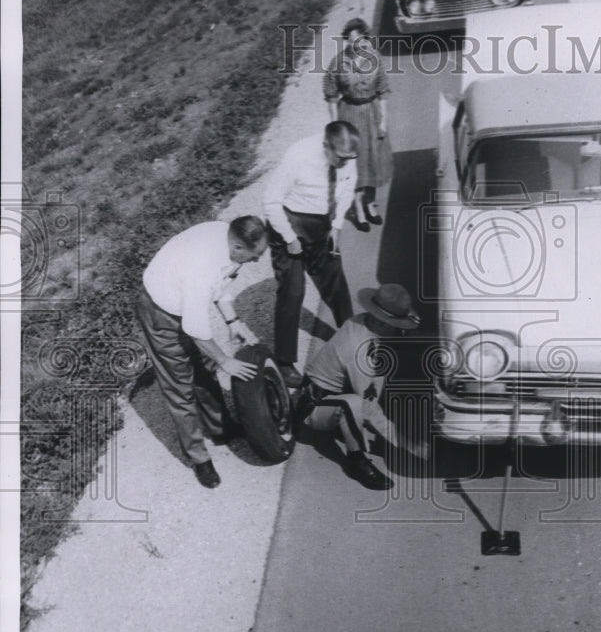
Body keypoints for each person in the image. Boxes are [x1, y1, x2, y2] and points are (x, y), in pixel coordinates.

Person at [136, 216, 267, 489]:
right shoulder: (203, 267)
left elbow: (221, 286)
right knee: (180, 388)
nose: (256, 262)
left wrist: (233, 322)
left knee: (205, 370)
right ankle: (199, 458)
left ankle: (221, 429)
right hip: (160, 311)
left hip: (186, 303)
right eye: (255, 256)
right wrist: (225, 360)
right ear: (239, 247)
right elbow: (194, 326)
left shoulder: (228, 239)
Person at [297, 283, 428, 491]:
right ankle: (356, 461)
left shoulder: (362, 321)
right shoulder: (360, 352)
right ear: (383, 322)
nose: (401, 328)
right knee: (355, 405)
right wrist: (403, 441)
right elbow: (368, 408)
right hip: (315, 407)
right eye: (398, 324)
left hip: (335, 390)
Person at [264, 121, 360, 389]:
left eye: (350, 158)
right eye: (341, 159)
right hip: (289, 221)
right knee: (292, 292)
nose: (345, 164)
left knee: (336, 283)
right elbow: (271, 201)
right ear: (326, 146)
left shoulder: (346, 156)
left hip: (322, 224)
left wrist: (338, 225)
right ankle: (284, 361)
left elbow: (349, 187)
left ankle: (353, 338)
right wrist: (290, 238)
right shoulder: (298, 156)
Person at [323, 17, 392, 232]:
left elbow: (383, 92)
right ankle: (359, 210)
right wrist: (335, 126)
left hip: (372, 114)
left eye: (360, 40)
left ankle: (370, 205)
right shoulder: (337, 63)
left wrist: (384, 122)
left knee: (372, 162)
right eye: (352, 41)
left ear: (366, 40)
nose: (357, 45)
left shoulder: (376, 59)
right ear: (347, 42)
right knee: (355, 165)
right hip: (349, 115)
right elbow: (332, 96)